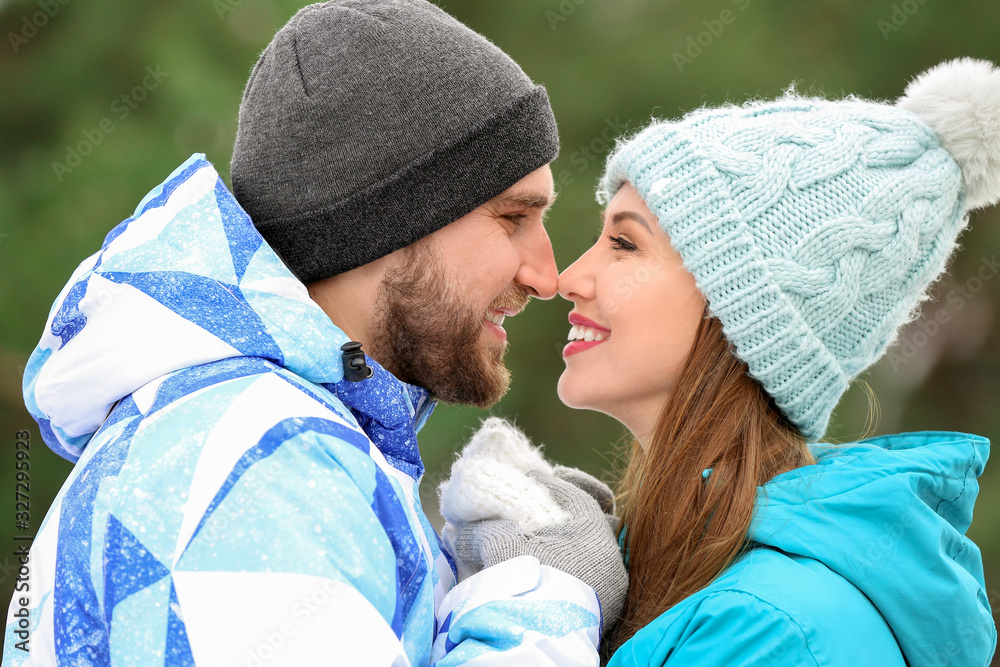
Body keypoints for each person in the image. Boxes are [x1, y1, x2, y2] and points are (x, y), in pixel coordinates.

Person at [2, 1, 626, 665]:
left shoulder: (262, 446)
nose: (547, 273)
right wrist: (542, 600)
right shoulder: (253, 466)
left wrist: (464, 581)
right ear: (386, 221)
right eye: (512, 219)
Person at [458, 58, 999, 666]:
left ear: (746, 310)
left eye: (626, 244)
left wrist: (534, 610)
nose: (570, 278)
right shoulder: (651, 566)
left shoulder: (772, 632)